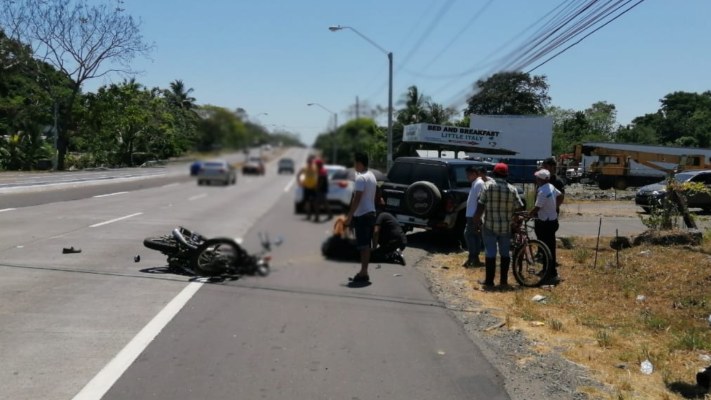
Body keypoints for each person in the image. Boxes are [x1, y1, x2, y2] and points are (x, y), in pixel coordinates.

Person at [473, 162, 524, 290]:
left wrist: (476, 220)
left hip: (489, 225)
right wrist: (515, 220)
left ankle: (489, 281)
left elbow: (480, 205)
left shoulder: (487, 186)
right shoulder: (512, 189)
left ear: (494, 173)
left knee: (490, 252)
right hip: (505, 227)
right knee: (505, 253)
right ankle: (503, 281)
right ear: (506, 175)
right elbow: (520, 207)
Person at [345, 152, 377, 283]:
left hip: (363, 215)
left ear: (360, 163)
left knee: (363, 246)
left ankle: (364, 272)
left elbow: (356, 199)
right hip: (371, 213)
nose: (354, 166)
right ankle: (364, 271)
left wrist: (349, 216)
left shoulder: (360, 178)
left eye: (355, 163)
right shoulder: (371, 176)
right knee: (365, 245)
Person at [529, 168, 563, 284]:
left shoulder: (542, 191)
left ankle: (549, 273)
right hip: (552, 220)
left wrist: (528, 215)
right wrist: (555, 207)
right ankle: (547, 270)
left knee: (545, 248)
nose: (536, 179)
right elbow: (560, 196)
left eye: (537, 178)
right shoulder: (551, 187)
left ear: (540, 179)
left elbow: (537, 207)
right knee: (550, 248)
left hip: (544, 222)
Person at [463, 165, 490, 267]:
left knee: (469, 235)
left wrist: (477, 216)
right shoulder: (476, 183)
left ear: (474, 174)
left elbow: (480, 200)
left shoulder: (479, 183)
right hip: (472, 215)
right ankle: (474, 258)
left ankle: (473, 257)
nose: (467, 177)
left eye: (469, 174)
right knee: (474, 236)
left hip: (474, 215)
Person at [296, 155, 319, 220]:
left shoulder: (315, 167)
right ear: (307, 162)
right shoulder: (304, 168)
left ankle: (316, 216)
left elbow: (319, 176)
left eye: (310, 162)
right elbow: (298, 174)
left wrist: (318, 184)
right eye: (309, 162)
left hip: (314, 187)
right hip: (306, 187)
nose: (310, 163)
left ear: (312, 162)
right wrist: (299, 182)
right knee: (307, 202)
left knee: (314, 202)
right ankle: (309, 215)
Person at [313, 158, 332, 222]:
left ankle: (317, 218)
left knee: (317, 204)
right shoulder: (321, 170)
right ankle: (330, 215)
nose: (315, 165)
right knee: (324, 203)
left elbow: (321, 181)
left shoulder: (321, 171)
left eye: (316, 164)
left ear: (318, 164)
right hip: (322, 190)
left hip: (321, 190)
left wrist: (317, 188)